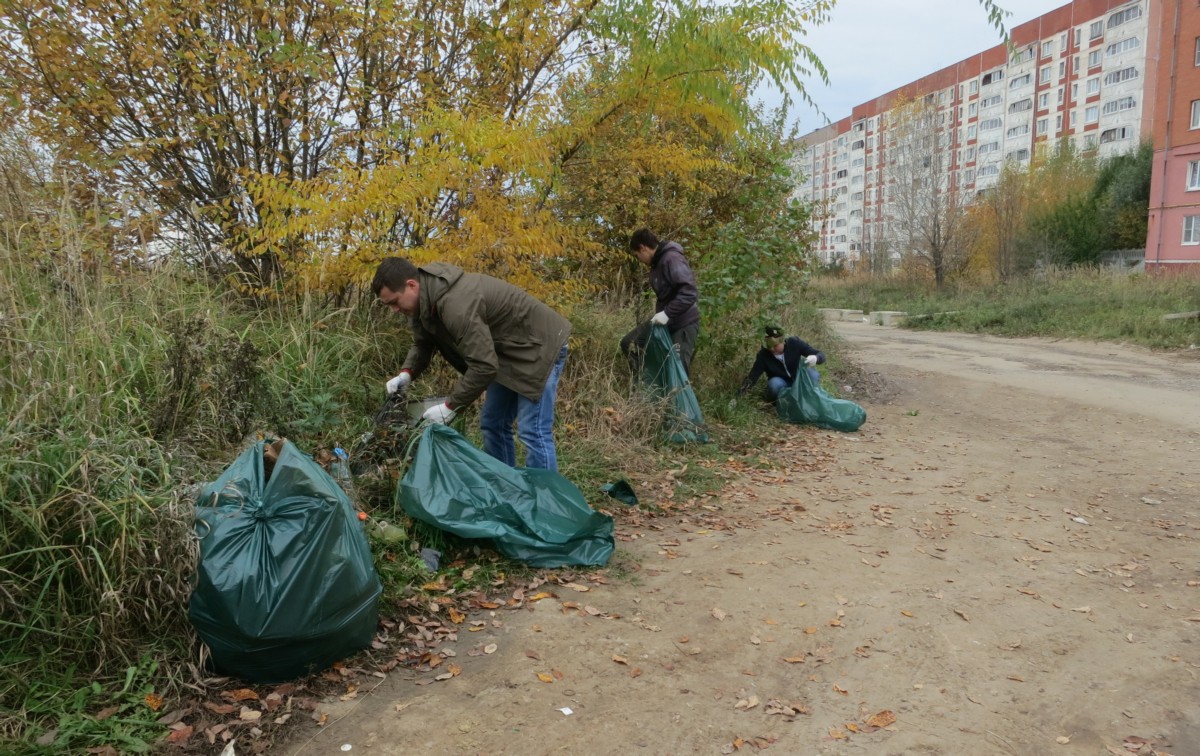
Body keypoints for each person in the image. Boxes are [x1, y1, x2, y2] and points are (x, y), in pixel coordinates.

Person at [372, 257, 571, 472]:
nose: (394, 310)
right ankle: (505, 485)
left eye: (394, 302)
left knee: (532, 431)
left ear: (411, 285)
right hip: (505, 354)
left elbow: (484, 366)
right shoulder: (423, 301)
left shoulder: (456, 304)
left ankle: (547, 500)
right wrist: (406, 374)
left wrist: (450, 407)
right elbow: (423, 344)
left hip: (538, 346)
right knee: (492, 423)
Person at [619, 228, 701, 375]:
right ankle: (645, 388)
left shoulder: (671, 258)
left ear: (643, 248)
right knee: (630, 343)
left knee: (677, 371)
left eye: (637, 255)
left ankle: (678, 397)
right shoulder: (657, 262)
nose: (639, 260)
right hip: (666, 323)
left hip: (683, 323)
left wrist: (667, 313)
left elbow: (689, 292)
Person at [737, 325, 825, 400]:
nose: (771, 349)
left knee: (813, 374)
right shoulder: (763, 355)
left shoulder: (794, 343)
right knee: (773, 384)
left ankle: (807, 398)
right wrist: (738, 396)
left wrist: (816, 358)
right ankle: (783, 402)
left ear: (782, 340)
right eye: (768, 346)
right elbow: (752, 377)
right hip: (782, 383)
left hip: (798, 379)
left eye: (775, 345)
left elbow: (820, 354)